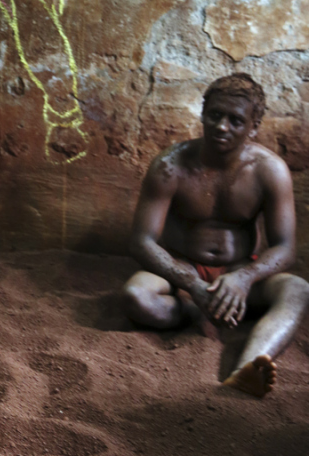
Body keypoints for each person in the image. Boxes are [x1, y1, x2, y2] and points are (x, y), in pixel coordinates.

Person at [123, 73, 309, 398]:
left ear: (253, 126)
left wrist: (245, 278)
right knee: (136, 296)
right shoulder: (170, 166)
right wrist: (192, 286)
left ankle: (248, 367)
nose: (222, 126)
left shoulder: (269, 170)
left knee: (297, 289)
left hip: (240, 272)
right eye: (215, 115)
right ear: (203, 114)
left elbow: (285, 248)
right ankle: (198, 311)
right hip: (183, 271)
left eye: (235, 120)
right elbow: (141, 241)